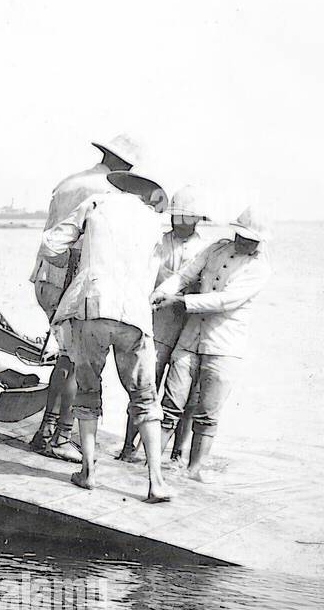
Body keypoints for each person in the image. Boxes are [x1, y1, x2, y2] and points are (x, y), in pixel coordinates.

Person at [37, 159, 173, 502]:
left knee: (88, 390)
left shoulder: (96, 205)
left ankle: (89, 472)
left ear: (118, 186)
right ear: (147, 194)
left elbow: (51, 244)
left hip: (92, 307)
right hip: (135, 316)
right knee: (144, 398)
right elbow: (156, 273)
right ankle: (156, 482)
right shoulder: (155, 223)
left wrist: (77, 263)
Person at [29, 133, 143, 462]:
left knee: (66, 356)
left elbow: (52, 238)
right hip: (69, 280)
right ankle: (60, 436)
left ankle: (47, 432)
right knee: (78, 361)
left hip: (44, 276)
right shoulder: (108, 194)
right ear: (125, 167)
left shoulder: (71, 181)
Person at [151, 206, 273, 482]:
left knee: (207, 413)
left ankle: (193, 471)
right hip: (190, 338)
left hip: (225, 347)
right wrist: (161, 293)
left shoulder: (259, 269)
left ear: (261, 241)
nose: (244, 242)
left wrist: (181, 302)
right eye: (240, 235)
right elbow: (185, 275)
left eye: (251, 239)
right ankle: (151, 464)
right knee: (170, 404)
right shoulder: (216, 249)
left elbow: (225, 300)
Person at [118, 185, 212, 462]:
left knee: (188, 394)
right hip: (157, 324)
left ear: (196, 219)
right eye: (175, 216)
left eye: (184, 217)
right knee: (144, 385)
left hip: (190, 327)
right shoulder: (157, 242)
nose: (177, 221)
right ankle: (127, 447)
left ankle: (176, 453)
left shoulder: (205, 249)